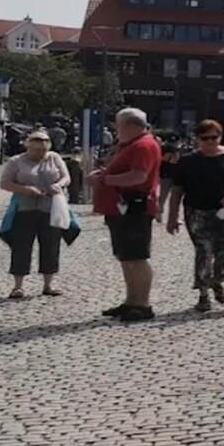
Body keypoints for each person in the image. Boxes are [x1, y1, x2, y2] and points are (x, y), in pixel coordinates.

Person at [164, 119, 224, 312]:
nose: (210, 142)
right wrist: (172, 217)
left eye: (214, 137)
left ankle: (217, 281)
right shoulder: (188, 161)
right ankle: (203, 294)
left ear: (221, 137)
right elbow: (177, 190)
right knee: (204, 252)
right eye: (205, 138)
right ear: (197, 139)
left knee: (223, 252)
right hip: (197, 212)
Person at [89, 106, 162, 321]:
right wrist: (104, 173)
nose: (115, 129)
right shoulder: (129, 145)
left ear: (130, 125)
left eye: (118, 125)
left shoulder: (143, 145)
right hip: (120, 208)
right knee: (126, 256)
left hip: (134, 207)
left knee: (137, 257)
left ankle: (142, 304)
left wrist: (104, 180)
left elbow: (138, 176)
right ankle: (131, 301)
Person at [0, 127, 71, 299]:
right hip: (24, 209)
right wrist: (25, 189)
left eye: (43, 150)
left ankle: (48, 285)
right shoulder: (16, 161)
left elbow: (66, 177)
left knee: (51, 246)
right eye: (36, 150)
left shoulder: (54, 158)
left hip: (50, 208)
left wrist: (58, 185)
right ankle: (18, 286)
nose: (40, 154)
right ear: (28, 147)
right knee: (21, 247)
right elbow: (5, 183)